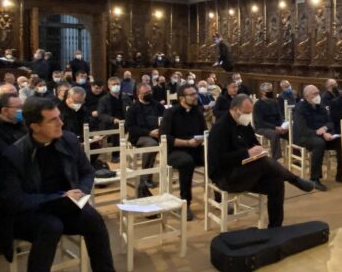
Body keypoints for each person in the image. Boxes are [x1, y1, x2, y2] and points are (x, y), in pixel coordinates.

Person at [0, 97, 117, 272]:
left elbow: (86, 172)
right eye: (52, 120)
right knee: (50, 227)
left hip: (62, 204)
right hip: (27, 213)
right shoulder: (16, 154)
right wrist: (57, 197)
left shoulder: (69, 140)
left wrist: (81, 191)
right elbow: (14, 200)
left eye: (59, 117)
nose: (60, 123)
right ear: (35, 126)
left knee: (93, 219)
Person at [207, 94, 315, 227]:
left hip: (245, 171)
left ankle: (275, 227)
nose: (249, 115)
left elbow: (254, 143)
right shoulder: (220, 128)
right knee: (263, 162)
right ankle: (295, 180)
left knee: (277, 183)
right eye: (246, 112)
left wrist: (258, 150)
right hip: (226, 177)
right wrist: (246, 153)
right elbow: (218, 161)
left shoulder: (244, 124)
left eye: (250, 112)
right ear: (235, 110)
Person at [160, 84, 207, 220]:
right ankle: (185, 203)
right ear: (182, 98)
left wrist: (202, 139)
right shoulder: (171, 112)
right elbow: (164, 137)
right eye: (191, 95)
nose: (195, 97)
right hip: (174, 152)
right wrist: (186, 142)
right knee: (187, 162)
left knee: (213, 155)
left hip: (195, 148)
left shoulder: (197, 111)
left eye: (195, 93)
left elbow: (204, 131)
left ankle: (218, 196)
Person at [291, 84, 342, 191]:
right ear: (307, 96)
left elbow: (330, 122)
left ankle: (340, 174)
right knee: (319, 143)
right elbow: (302, 130)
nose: (318, 95)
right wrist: (321, 133)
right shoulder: (299, 108)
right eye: (315, 93)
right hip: (303, 137)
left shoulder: (320, 106)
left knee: (340, 141)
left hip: (320, 135)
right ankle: (314, 179)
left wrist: (325, 129)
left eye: (318, 93)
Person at [124, 82, 162, 193]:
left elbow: (165, 117)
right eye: (146, 93)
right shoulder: (133, 108)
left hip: (158, 134)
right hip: (140, 136)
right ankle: (144, 178)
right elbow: (131, 128)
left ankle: (167, 173)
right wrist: (149, 133)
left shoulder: (156, 105)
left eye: (150, 92)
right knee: (152, 145)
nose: (149, 94)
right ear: (139, 94)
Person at [253, 82, 289, 162]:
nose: (270, 92)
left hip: (276, 126)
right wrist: (275, 128)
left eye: (271, 90)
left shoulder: (274, 102)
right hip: (262, 128)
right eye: (268, 90)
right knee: (274, 134)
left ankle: (295, 156)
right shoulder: (258, 104)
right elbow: (260, 121)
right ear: (262, 91)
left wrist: (282, 126)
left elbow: (280, 116)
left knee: (290, 132)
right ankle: (276, 159)